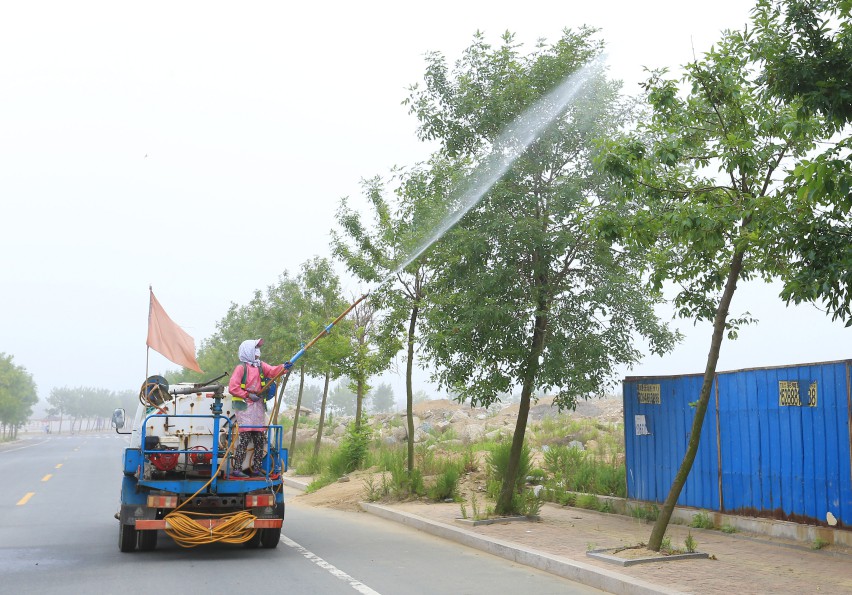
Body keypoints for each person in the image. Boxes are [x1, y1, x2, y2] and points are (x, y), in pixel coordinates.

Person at [228, 338, 289, 478]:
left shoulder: (260, 366)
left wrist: (284, 367)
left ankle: (256, 469)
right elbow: (233, 387)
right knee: (244, 438)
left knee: (259, 438)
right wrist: (247, 394)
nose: (258, 352)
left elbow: (274, 371)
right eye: (255, 349)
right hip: (244, 407)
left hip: (258, 406)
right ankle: (237, 469)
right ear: (247, 351)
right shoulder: (241, 368)